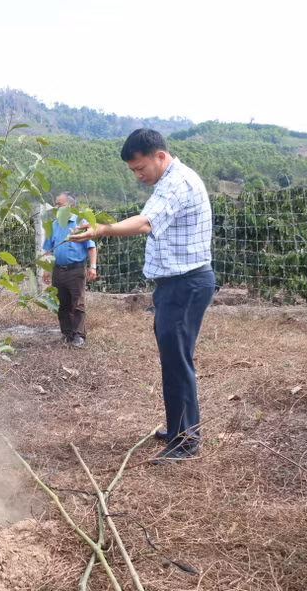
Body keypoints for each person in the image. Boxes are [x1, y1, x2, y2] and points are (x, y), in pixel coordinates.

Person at [70, 129, 214, 464]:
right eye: (133, 171)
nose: (139, 176)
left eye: (140, 168)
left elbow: (146, 223)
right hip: (175, 285)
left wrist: (102, 229)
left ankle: (186, 441)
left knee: (178, 363)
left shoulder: (178, 183)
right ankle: (179, 427)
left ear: (160, 156)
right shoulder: (167, 182)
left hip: (186, 284)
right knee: (174, 360)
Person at [43, 192, 97, 348]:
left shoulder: (81, 223)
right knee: (61, 303)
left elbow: (91, 247)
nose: (56, 207)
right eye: (56, 204)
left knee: (77, 303)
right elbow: (49, 249)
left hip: (76, 270)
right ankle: (66, 334)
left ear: (70, 206)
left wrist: (92, 267)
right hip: (58, 270)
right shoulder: (53, 225)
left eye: (59, 204)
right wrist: (47, 268)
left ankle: (79, 336)